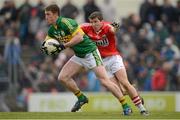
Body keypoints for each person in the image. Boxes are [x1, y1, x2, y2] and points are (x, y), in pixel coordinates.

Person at [42, 4, 132, 115]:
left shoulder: (67, 23)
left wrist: (63, 46)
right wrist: (46, 48)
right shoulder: (52, 30)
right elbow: (47, 42)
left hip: (90, 52)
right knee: (62, 77)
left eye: (48, 14)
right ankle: (81, 98)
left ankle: (126, 106)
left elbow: (79, 37)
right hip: (79, 55)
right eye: (45, 14)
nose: (46, 17)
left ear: (55, 14)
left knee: (105, 81)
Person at [80, 11, 149, 115]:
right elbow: (76, 28)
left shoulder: (107, 27)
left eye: (95, 21)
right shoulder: (87, 28)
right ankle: (133, 94)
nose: (93, 24)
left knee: (125, 83)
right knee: (118, 91)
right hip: (102, 63)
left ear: (101, 21)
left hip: (113, 58)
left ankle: (142, 109)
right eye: (91, 22)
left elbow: (113, 29)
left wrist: (115, 28)